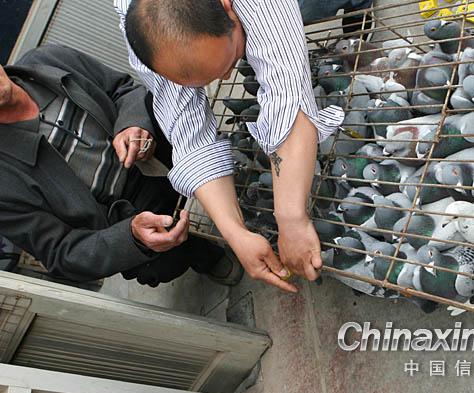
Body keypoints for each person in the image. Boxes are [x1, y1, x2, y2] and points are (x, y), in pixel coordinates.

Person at [114, 0, 376, 293]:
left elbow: (288, 97)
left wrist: (291, 219)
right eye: (205, 80)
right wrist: (236, 234)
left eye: (227, 65)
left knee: (307, 9)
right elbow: (189, 134)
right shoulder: (142, 25)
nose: (227, 77)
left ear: (227, 7)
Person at [0, 44, 242, 288]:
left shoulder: (47, 60)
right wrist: (131, 236)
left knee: (165, 104)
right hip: (125, 211)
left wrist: (133, 124)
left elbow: (122, 88)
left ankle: (230, 178)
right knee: (168, 257)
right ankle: (204, 255)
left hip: (153, 153)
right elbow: (62, 252)